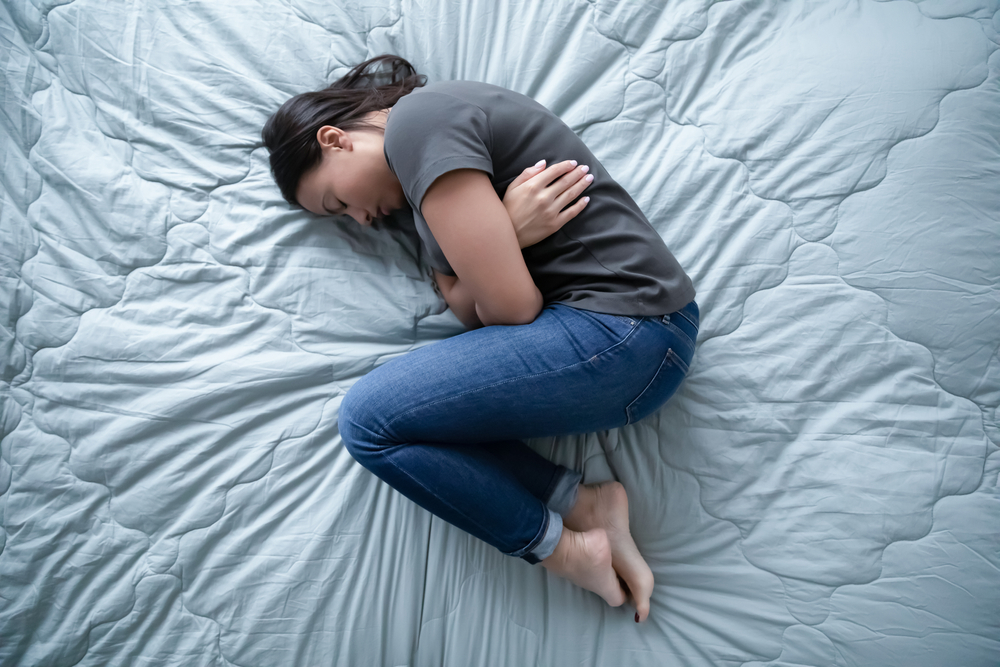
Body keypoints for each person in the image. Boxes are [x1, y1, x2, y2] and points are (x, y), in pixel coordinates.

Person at [262, 55, 697, 623]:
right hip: (625, 340)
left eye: (337, 203)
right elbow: (475, 314)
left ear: (335, 139)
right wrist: (506, 233)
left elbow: (510, 310)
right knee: (394, 422)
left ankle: (565, 550)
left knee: (369, 422)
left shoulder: (419, 123)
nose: (359, 220)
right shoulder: (423, 199)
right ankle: (582, 505)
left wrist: (496, 245)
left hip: (627, 329)